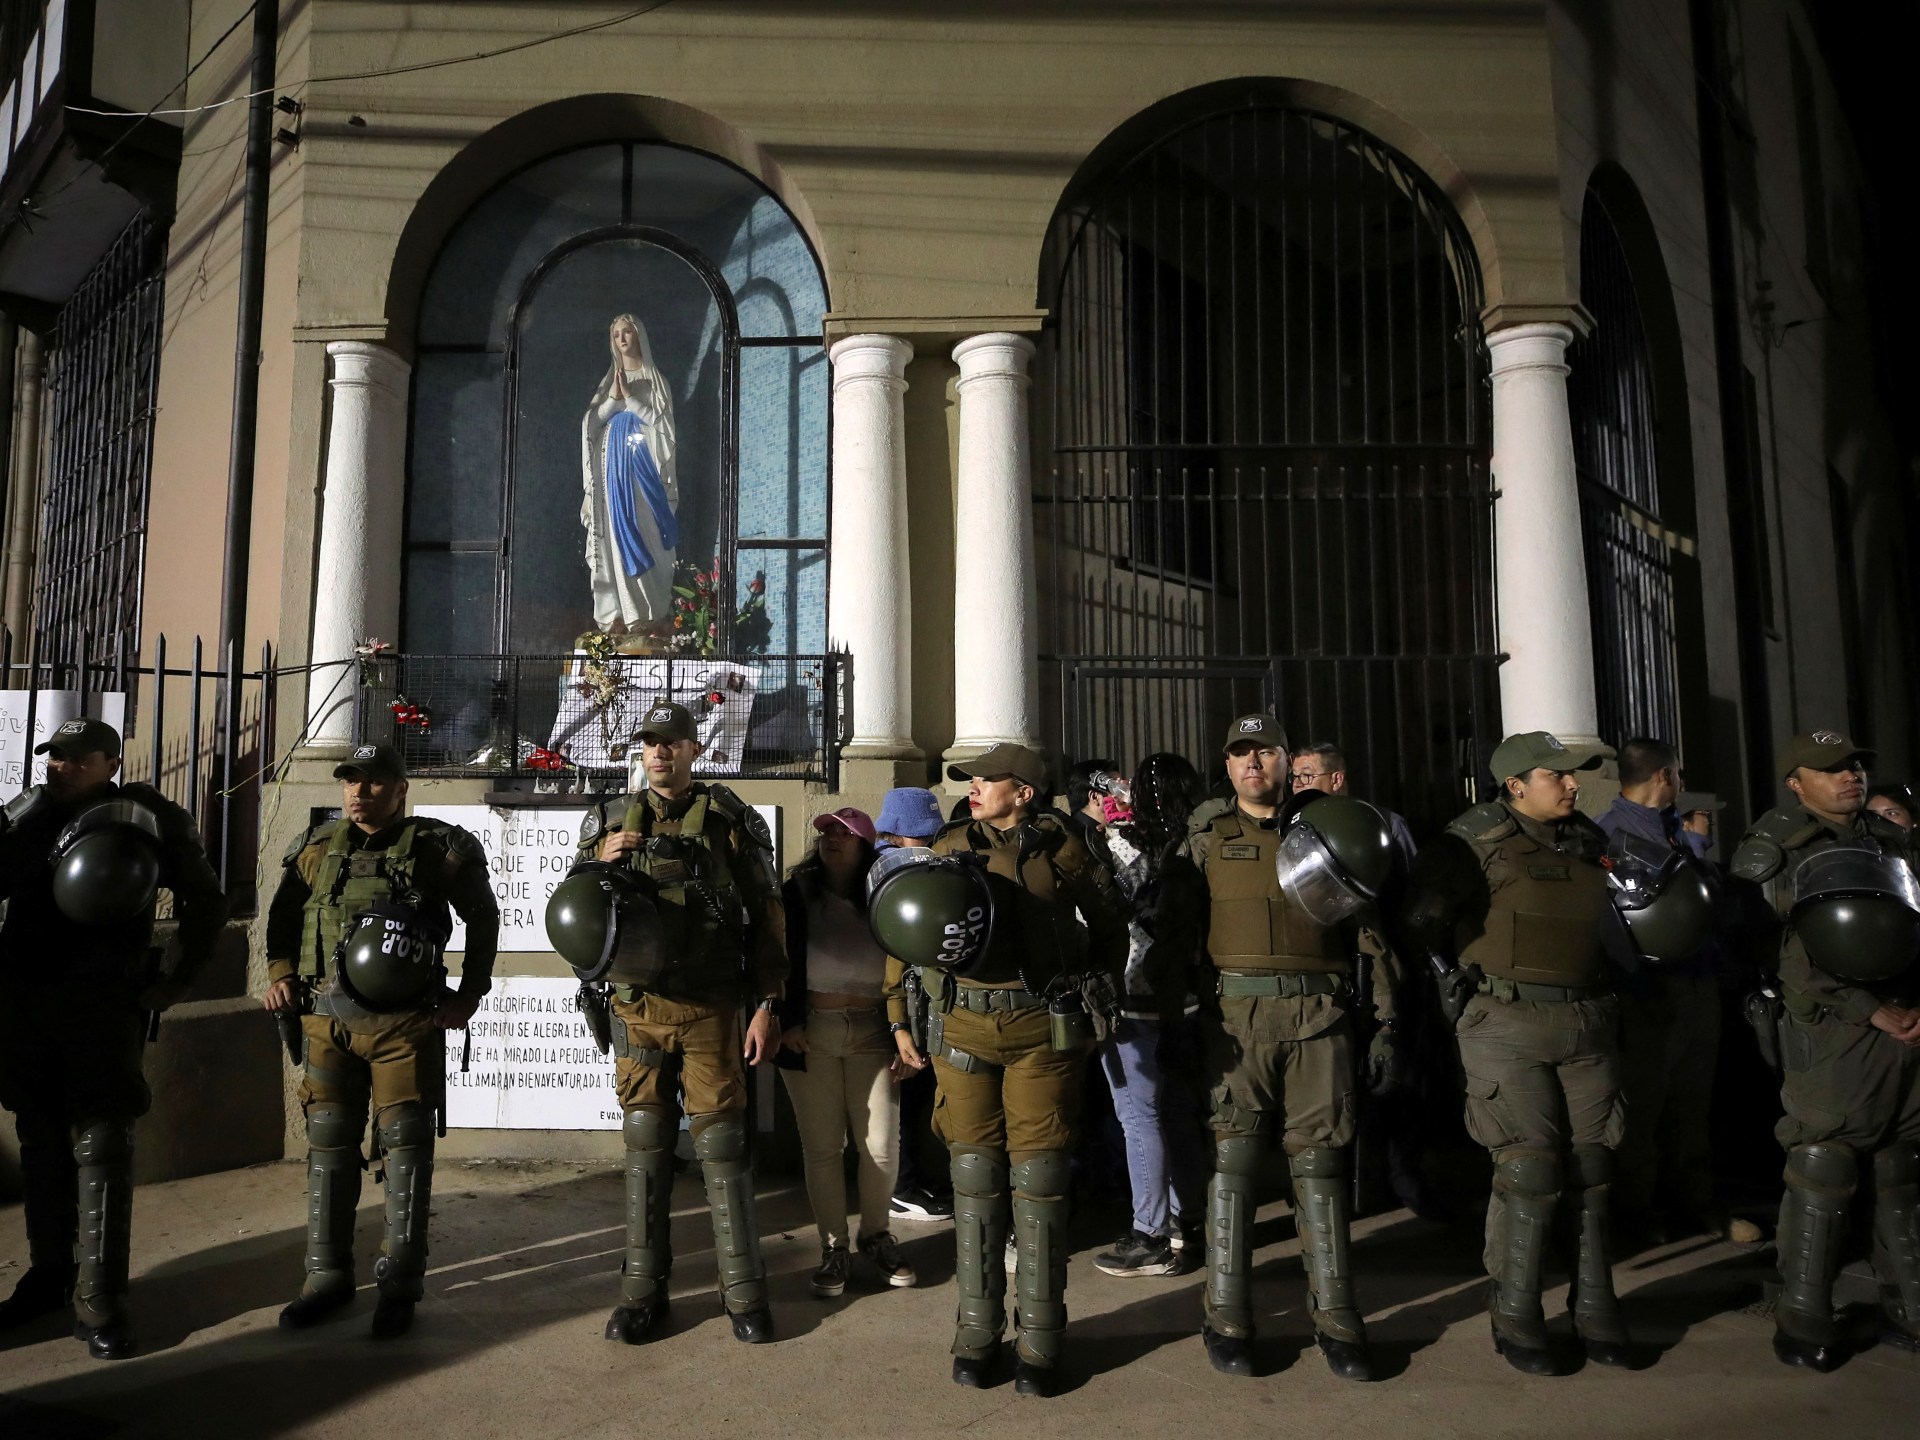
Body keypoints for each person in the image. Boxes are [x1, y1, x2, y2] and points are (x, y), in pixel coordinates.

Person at [1154, 715, 1400, 1381]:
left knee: (1320, 1174)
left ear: (1287, 761)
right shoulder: (1205, 843)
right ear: (1227, 767)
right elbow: (1174, 933)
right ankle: (1227, 1319)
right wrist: (1172, 1021)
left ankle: (1338, 1321)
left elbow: (1367, 934)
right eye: (1239, 753)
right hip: (1234, 1021)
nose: (1252, 763)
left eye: (1263, 751)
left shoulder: (1326, 830)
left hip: (1320, 1016)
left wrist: (1386, 1021)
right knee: (1232, 1173)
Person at [884, 742, 1128, 1396]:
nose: (974, 789)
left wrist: (1100, 988)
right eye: (972, 780)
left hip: (1040, 1027)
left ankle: (1044, 1342)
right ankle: (977, 1334)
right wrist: (898, 1016)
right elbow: (905, 927)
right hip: (962, 1025)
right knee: (974, 1176)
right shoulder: (948, 844)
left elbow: (1111, 922)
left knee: (1040, 1177)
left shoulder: (1065, 847)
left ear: (1023, 790)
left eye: (987, 780)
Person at [1403, 730, 1632, 1375]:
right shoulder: (1466, 844)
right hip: (1504, 1019)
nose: (1571, 784)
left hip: (1586, 1019)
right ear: (1514, 785)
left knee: (1592, 1169)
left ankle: (1594, 1305)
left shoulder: (1588, 841)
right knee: (1528, 1169)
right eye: (1555, 775)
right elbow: (1418, 921)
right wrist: (1454, 984)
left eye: (1573, 775)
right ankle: (1518, 1312)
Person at [0, 718, 228, 1359]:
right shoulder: (27, 813)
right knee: (39, 1138)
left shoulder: (143, 816)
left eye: (75, 758)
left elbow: (205, 903)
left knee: (101, 1144)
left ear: (110, 761)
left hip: (103, 1002)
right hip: (27, 1000)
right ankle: (47, 1276)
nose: (59, 767)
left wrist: (174, 984)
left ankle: (99, 1294)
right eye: (54, 756)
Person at [264, 742, 497, 1340]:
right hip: (325, 1021)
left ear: (400, 790)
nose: (359, 792)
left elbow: (483, 916)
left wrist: (469, 993)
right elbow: (284, 916)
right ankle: (325, 1276)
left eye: (373, 782)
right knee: (329, 1144)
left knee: (406, 1149)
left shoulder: (435, 849)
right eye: (351, 781)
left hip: (404, 1026)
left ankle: (399, 1283)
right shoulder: (316, 848)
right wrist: (281, 974)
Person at [576, 701, 785, 1345]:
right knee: (645, 1142)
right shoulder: (609, 819)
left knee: (721, 1145)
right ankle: (643, 1293)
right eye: (649, 743)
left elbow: (768, 913)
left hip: (711, 1006)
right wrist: (598, 863)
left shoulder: (729, 821)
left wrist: (768, 1005)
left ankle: (744, 1294)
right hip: (639, 1008)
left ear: (694, 749)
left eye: (671, 743)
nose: (659, 753)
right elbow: (578, 912)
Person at [1729, 729, 1920, 1371]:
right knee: (1825, 1160)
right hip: (1833, 1029)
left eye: (1856, 769)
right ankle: (1804, 1313)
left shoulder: (1886, 839)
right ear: (1795, 781)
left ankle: (1908, 1305)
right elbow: (1783, 955)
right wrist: (1872, 1010)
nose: (1850, 778)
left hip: (1904, 1021)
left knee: (1900, 1159)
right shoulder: (1775, 849)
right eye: (1832, 769)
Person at [1289, 739, 1445, 1221]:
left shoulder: (1382, 824)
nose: (1298, 785)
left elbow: (1412, 895)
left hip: (1383, 966)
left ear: (1337, 779)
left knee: (1392, 1081)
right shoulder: (1295, 826)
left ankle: (1402, 1177)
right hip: (1323, 973)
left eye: (1308, 775)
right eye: (1295, 777)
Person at [776, 807, 917, 1296]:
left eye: (845, 834)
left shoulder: (884, 893)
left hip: (874, 1031)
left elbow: (910, 963)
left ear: (865, 845)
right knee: (822, 1149)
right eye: (827, 833)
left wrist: (905, 1029)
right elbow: (778, 958)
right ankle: (834, 1248)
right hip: (810, 1031)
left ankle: (875, 1236)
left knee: (879, 1145)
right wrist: (786, 1019)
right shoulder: (796, 893)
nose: (833, 839)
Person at [1594, 738, 1723, 1244]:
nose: (1682, 783)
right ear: (1664, 776)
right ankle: (1636, 1216)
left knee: (1694, 1103)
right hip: (1650, 991)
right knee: (1643, 1108)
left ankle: (1695, 1206)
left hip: (1698, 980)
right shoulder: (1613, 834)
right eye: (1679, 774)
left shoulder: (1676, 826)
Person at [1092, 752, 1209, 1279]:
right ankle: (1191, 1224)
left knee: (1140, 1117)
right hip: (1189, 996)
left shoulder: (1125, 846)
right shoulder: (1202, 843)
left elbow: (1101, 905)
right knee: (1182, 1115)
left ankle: (1150, 1235)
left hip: (1134, 993)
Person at [875, 785, 955, 1223]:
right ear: (894, 831)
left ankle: (916, 1184)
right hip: (895, 1009)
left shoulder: (918, 867)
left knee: (920, 1097)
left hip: (917, 1006)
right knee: (903, 1101)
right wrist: (898, 1027)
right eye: (918, 835)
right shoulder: (887, 872)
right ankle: (902, 1190)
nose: (926, 843)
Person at [582, 312, 680, 636]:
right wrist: (613, 398)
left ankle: (651, 615)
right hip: (612, 473)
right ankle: (622, 617)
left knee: (646, 530)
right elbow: (591, 426)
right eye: (616, 335)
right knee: (614, 534)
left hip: (643, 473)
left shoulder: (655, 381)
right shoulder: (608, 381)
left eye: (627, 332)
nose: (622, 339)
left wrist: (633, 402)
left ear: (639, 336)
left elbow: (664, 430)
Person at [1674, 790, 1726, 860]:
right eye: (1704, 813)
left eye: (1709, 815)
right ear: (1685, 822)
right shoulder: (1694, 847)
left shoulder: (1679, 849)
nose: (1709, 821)